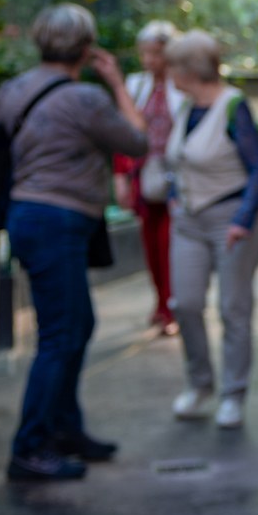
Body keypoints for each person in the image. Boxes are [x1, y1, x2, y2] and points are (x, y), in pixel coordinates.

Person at [0, 3, 147, 481]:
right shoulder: (86, 98)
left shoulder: (14, 89)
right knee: (60, 335)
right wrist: (116, 84)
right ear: (86, 49)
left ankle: (65, 429)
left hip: (27, 217)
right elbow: (137, 141)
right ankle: (29, 448)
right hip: (57, 221)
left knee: (76, 325)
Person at [163, 30, 258, 430]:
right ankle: (200, 384)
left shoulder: (232, 106)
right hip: (188, 221)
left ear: (189, 69)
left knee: (233, 309)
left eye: (172, 65)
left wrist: (242, 220)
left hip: (230, 219)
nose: (167, 72)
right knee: (185, 304)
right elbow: (178, 161)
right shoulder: (186, 107)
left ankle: (233, 395)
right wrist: (174, 195)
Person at [114, 20, 183, 335]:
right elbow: (124, 134)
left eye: (155, 53)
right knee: (150, 242)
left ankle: (170, 307)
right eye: (144, 53)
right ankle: (160, 302)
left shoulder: (181, 84)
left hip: (175, 178)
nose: (149, 60)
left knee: (169, 242)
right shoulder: (135, 85)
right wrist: (121, 177)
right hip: (145, 174)